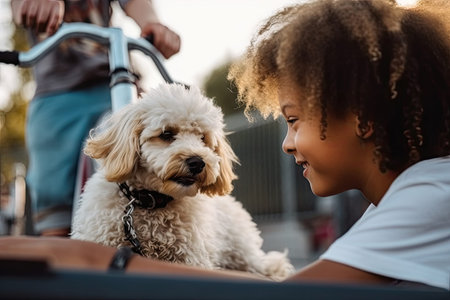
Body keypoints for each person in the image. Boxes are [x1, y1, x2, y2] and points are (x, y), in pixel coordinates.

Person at [1, 0, 448, 291]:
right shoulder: (411, 196)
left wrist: (100, 261)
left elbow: (298, 292)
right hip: (54, 93)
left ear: (364, 122)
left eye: (292, 121)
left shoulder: (430, 197)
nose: (287, 145)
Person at [10, 0, 181, 237]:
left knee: (141, 162)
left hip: (114, 83)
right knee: (55, 215)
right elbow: (19, 6)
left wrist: (152, 23)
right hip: (57, 96)